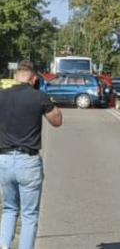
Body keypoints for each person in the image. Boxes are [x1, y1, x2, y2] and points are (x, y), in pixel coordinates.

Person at [0, 60, 63, 249]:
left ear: (14, 77)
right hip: (28, 161)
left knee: (9, 209)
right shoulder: (39, 97)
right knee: (29, 215)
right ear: (34, 79)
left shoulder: (1, 96)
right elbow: (57, 120)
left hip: (3, 159)